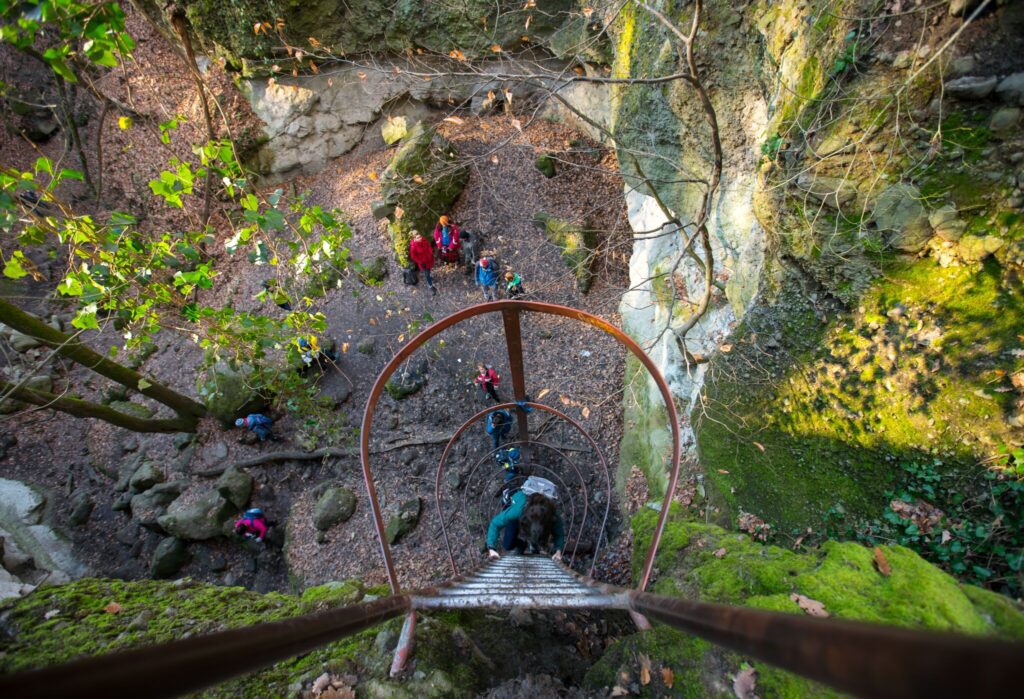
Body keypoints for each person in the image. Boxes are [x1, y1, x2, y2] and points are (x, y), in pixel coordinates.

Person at [486, 476, 564, 560]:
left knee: (537, 534)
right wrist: (491, 548)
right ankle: (522, 544)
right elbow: (495, 523)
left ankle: (534, 543)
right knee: (507, 544)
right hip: (517, 508)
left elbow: (558, 533)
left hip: (538, 524)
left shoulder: (552, 513)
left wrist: (558, 551)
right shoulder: (517, 511)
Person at [408, 230, 437, 295]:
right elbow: (413, 256)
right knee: (426, 274)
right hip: (423, 263)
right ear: (414, 238)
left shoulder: (424, 240)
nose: (420, 238)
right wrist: (420, 262)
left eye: (420, 237)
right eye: (418, 238)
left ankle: (430, 277)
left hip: (429, 259)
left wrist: (431, 252)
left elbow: (429, 246)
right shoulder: (413, 247)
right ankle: (430, 286)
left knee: (429, 271)